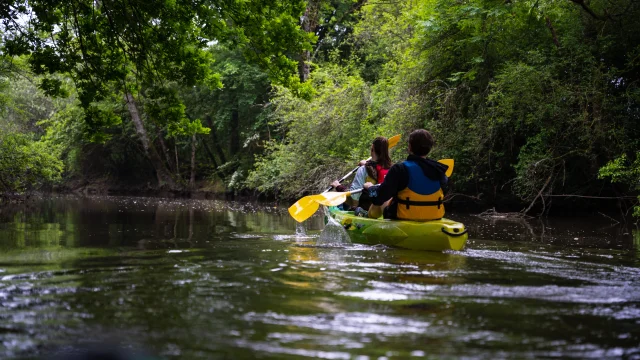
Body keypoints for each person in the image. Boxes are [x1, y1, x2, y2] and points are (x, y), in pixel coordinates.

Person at [363, 129, 448, 221]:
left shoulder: (399, 169)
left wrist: (370, 188)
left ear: (410, 147)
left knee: (384, 200)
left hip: (403, 217)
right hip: (434, 217)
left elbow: (378, 198)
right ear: (429, 148)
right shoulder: (440, 170)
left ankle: (365, 216)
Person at [331, 136, 392, 213]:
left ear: (372, 148)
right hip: (387, 211)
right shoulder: (393, 169)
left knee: (340, 204)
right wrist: (367, 164)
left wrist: (338, 187)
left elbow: (354, 200)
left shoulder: (363, 170)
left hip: (367, 213)